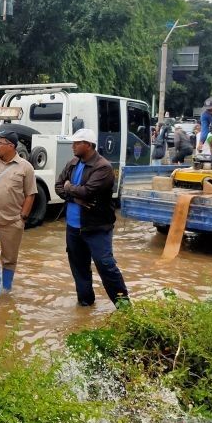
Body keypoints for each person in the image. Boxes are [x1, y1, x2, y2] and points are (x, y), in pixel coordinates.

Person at [55, 128, 129, 308]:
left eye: (76, 143)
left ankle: (124, 307)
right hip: (73, 228)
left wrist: (69, 188)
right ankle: (85, 304)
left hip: (96, 228)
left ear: (88, 145)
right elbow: (58, 186)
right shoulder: (73, 163)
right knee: (79, 268)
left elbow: (87, 192)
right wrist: (76, 197)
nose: (72, 146)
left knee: (106, 266)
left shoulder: (103, 167)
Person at [0, 124, 37, 294]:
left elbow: (30, 194)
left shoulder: (26, 167)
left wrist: (22, 217)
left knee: (9, 258)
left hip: (12, 220)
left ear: (11, 145)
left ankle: (7, 291)